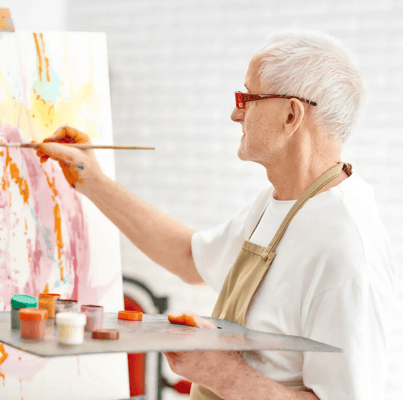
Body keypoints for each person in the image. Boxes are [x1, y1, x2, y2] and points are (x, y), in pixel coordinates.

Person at [36, 30, 397, 400]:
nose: (235, 113)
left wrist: (222, 374)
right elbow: (188, 258)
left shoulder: (349, 249)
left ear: (291, 114)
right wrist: (92, 180)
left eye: (247, 97)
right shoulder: (280, 202)